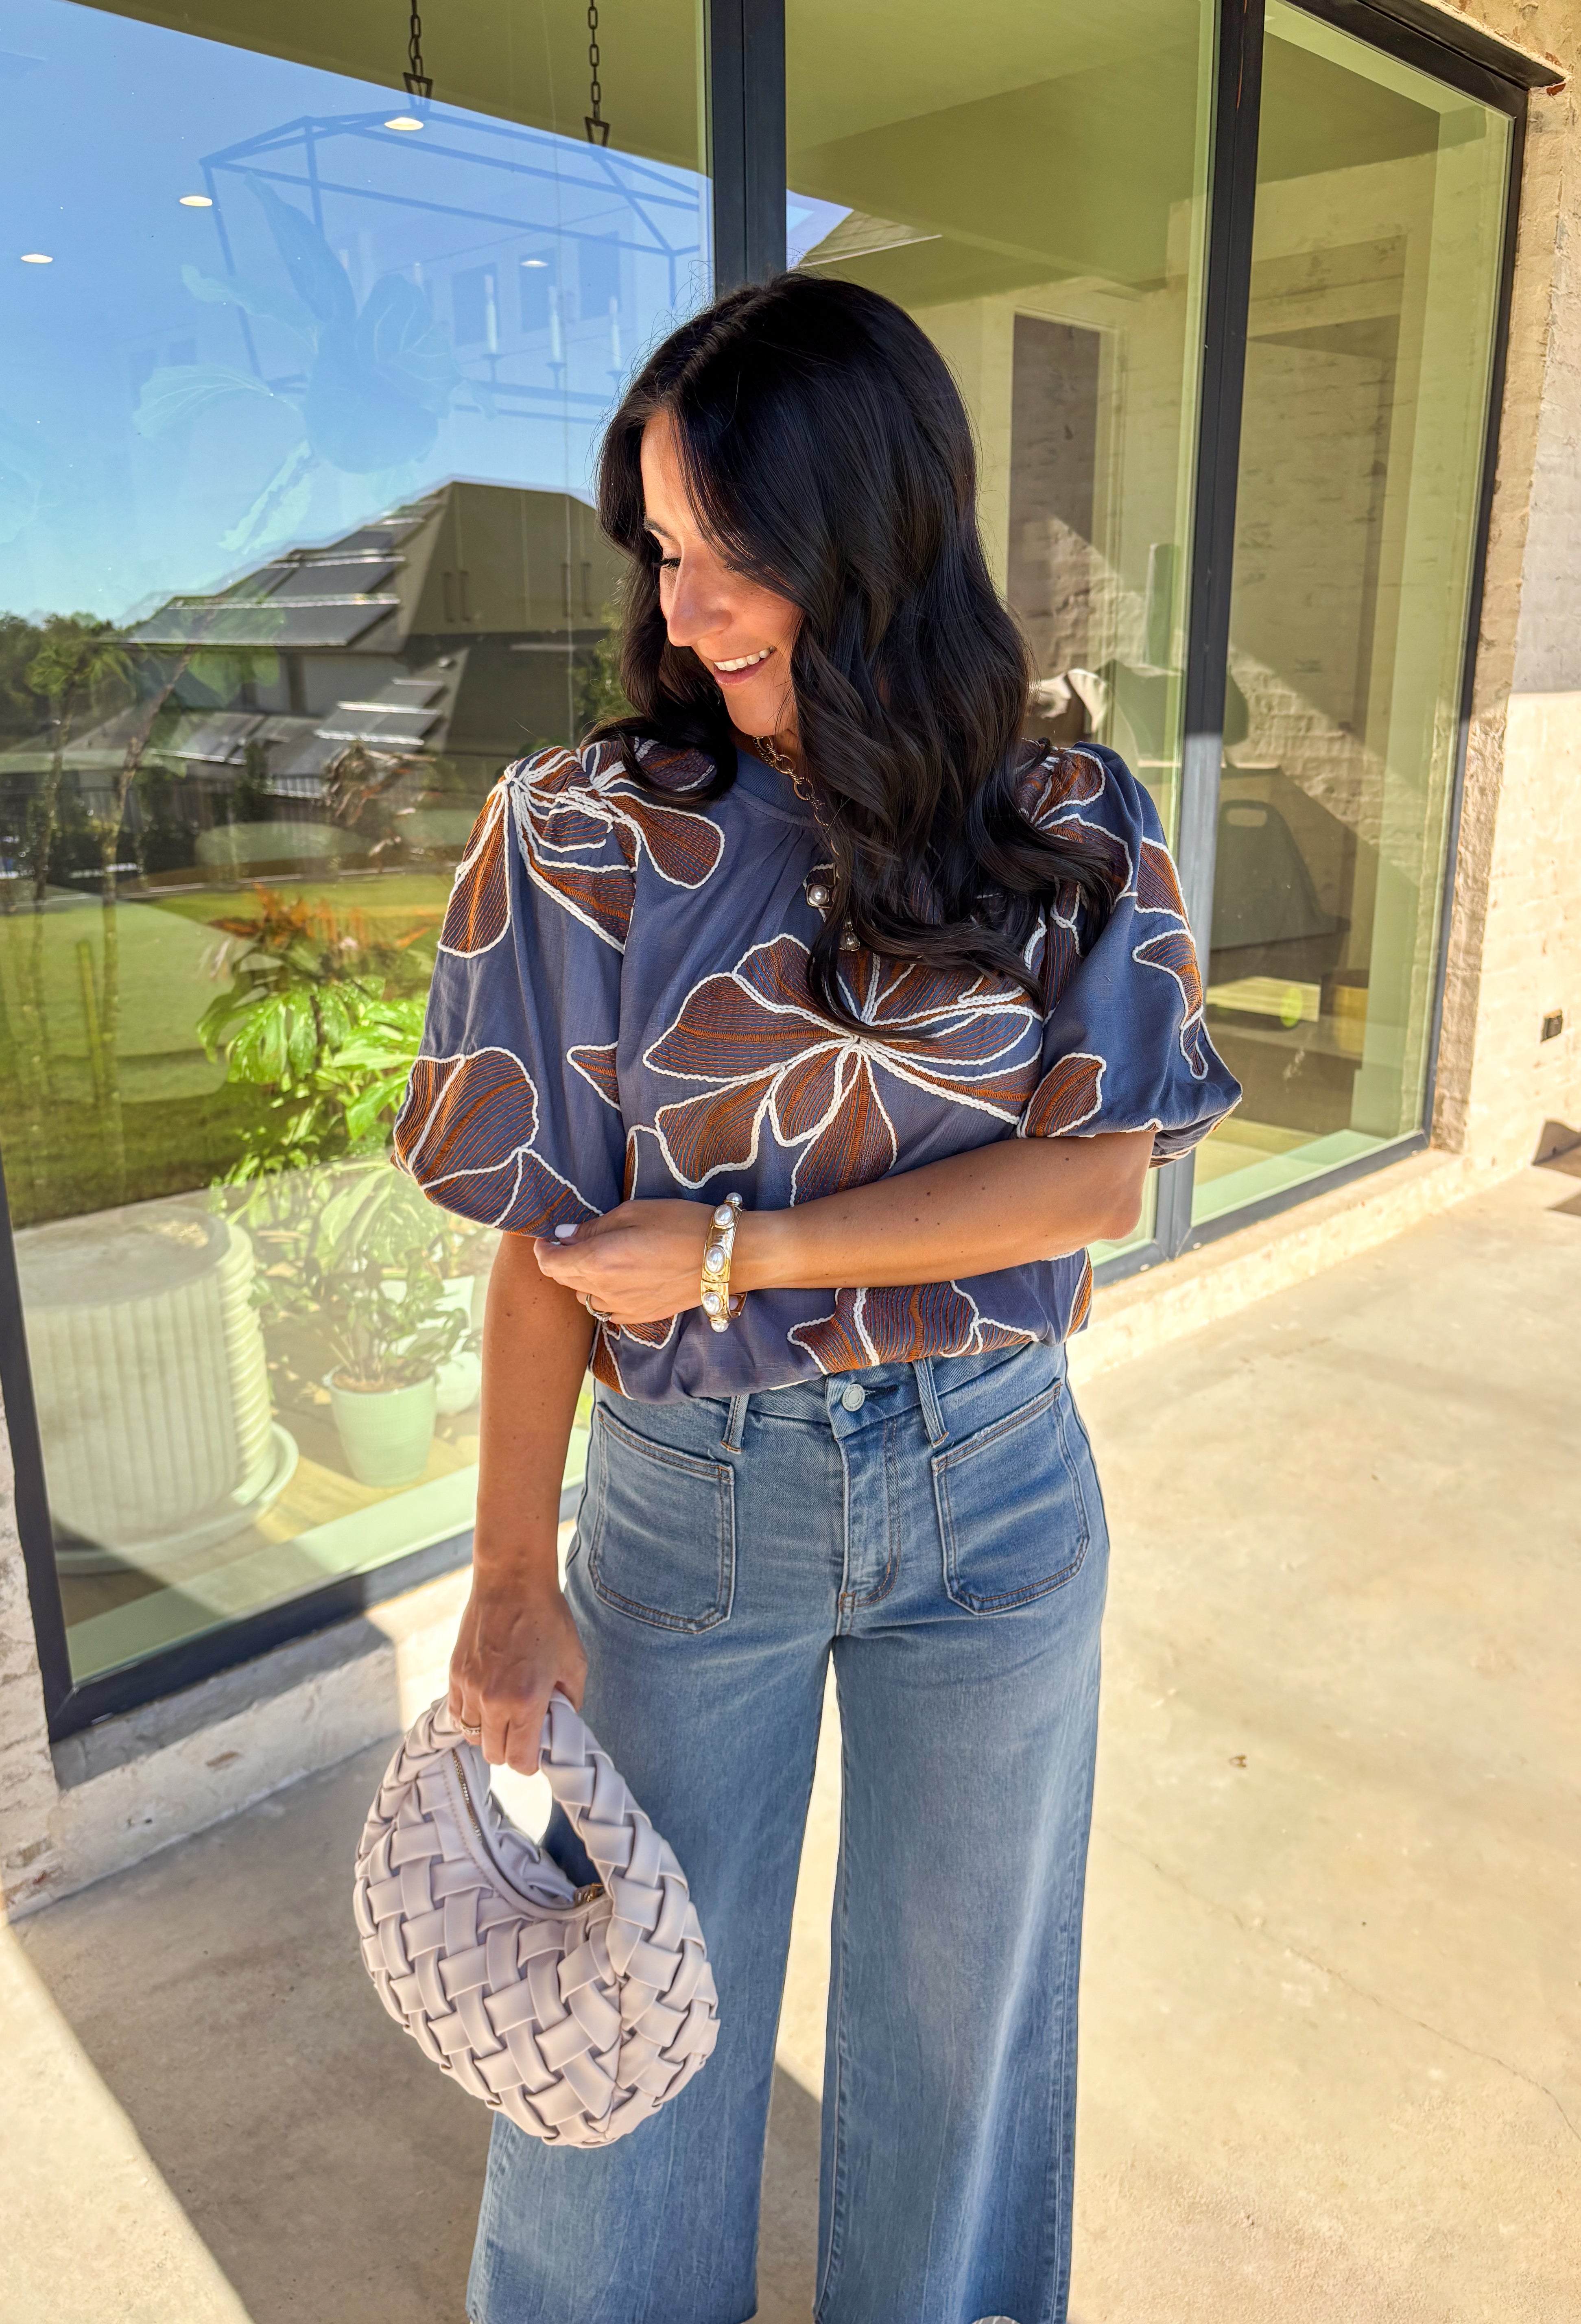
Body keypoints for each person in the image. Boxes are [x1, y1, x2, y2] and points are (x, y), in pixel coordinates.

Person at [394, 271, 1240, 2324]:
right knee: (622, 2067)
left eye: (733, 552)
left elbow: (1100, 1174)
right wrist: (512, 1583)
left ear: (879, 533)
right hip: (692, 1506)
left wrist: (739, 1250)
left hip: (1001, 1494)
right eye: (665, 553)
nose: (684, 610)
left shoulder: (1068, 817)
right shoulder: (582, 838)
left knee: (968, 2056)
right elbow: (540, 1242)